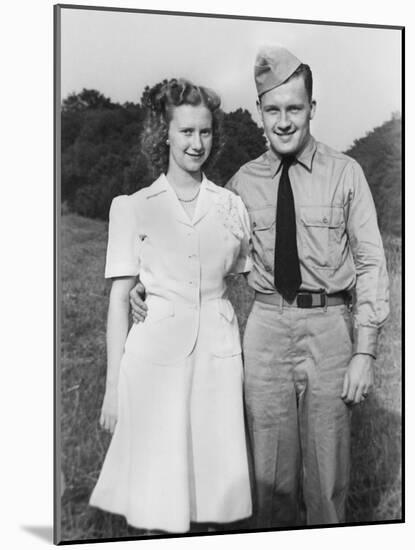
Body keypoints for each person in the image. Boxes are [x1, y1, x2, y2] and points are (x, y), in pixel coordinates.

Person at [130, 45, 390, 528]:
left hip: (331, 329)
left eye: (294, 108)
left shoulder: (346, 174)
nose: (284, 121)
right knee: (269, 482)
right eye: (273, 110)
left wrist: (365, 352)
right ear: (260, 113)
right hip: (266, 330)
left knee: (328, 479)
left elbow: (373, 262)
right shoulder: (240, 186)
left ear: (312, 108)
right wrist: (148, 286)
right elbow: (202, 251)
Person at [89, 78, 252, 534]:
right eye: (186, 132)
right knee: (157, 500)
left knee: (212, 497)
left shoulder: (231, 206)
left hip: (217, 362)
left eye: (205, 132)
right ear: (164, 134)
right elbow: (120, 300)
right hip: (153, 362)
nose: (197, 143)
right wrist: (111, 390)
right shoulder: (134, 207)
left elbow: (243, 277)